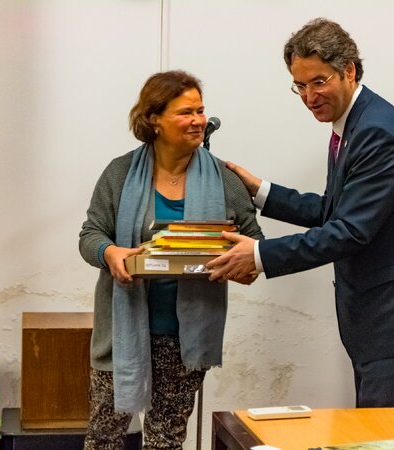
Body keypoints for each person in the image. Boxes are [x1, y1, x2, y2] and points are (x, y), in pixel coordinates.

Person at [206, 18, 394, 428]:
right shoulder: (355, 123)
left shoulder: (376, 132)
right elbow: (338, 210)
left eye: (319, 82)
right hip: (387, 318)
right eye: (300, 85)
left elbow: (349, 231)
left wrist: (258, 255)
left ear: (348, 70)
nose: (309, 97)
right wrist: (262, 192)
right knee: (374, 434)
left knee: (387, 439)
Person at [79, 70, 263, 450]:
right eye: (185, 112)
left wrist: (243, 265)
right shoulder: (120, 173)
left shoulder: (224, 179)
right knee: (104, 438)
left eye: (200, 111)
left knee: (166, 441)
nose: (197, 120)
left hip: (184, 339)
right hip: (122, 332)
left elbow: (253, 242)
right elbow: (90, 235)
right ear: (154, 119)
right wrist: (110, 253)